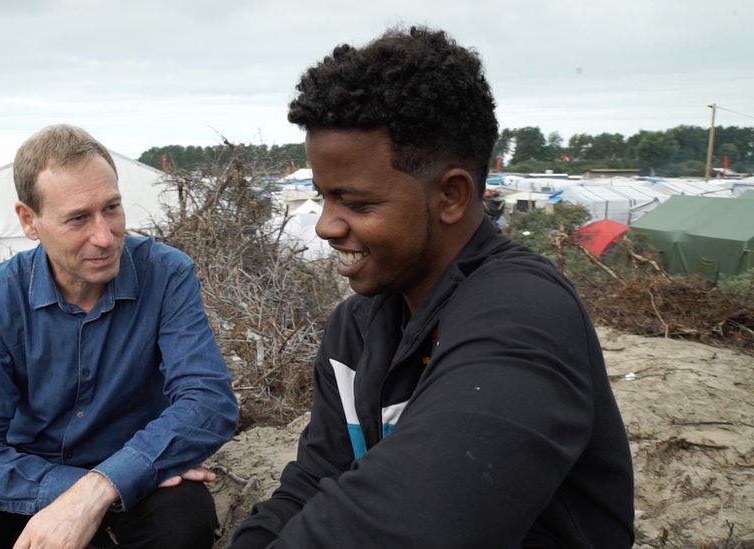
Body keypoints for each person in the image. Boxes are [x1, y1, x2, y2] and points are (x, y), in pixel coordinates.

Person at [231, 27, 634, 548]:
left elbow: (413, 522)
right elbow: (313, 482)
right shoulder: (356, 330)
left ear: (451, 195)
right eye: (322, 197)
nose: (325, 226)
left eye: (355, 203)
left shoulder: (526, 315)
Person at [0, 124, 238, 548]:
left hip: (143, 471)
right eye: (78, 218)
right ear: (28, 220)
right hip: (30, 476)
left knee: (184, 527)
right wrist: (76, 493)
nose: (104, 236)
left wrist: (106, 486)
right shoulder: (0, 297)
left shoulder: (166, 274)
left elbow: (208, 401)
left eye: (111, 208)